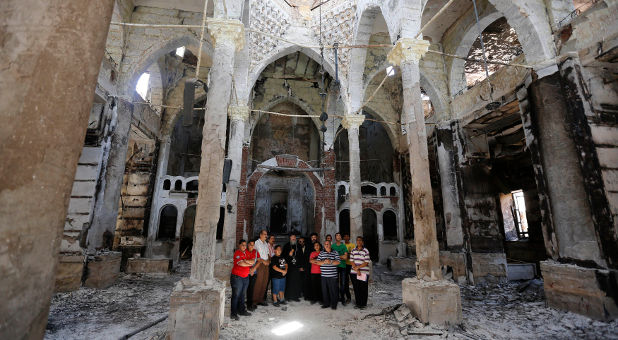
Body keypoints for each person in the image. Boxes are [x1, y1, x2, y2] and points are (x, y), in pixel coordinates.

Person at [230, 239, 255, 320]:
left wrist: (246, 261)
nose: (244, 246)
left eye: (245, 245)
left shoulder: (246, 253)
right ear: (239, 245)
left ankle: (242, 310)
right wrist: (247, 263)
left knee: (242, 295)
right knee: (236, 295)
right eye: (242, 245)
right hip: (237, 277)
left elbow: (253, 261)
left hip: (245, 277)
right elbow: (241, 263)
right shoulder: (237, 253)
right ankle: (233, 313)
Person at [312, 240, 340, 310]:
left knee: (333, 290)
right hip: (324, 275)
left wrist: (330, 261)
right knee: (325, 291)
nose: (326, 245)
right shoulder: (321, 253)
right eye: (325, 244)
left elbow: (338, 262)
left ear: (330, 244)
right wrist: (324, 262)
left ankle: (334, 305)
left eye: (328, 244)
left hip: (333, 276)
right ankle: (326, 303)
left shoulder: (335, 252)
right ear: (324, 245)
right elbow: (317, 262)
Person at [350, 236, 371, 309]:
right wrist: (357, 270)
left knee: (363, 288)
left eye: (360, 240)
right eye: (357, 240)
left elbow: (366, 262)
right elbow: (352, 261)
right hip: (354, 273)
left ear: (362, 242)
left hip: (363, 272)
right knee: (356, 288)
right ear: (356, 241)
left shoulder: (366, 251)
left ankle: (363, 304)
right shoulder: (353, 250)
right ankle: (358, 303)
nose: (359, 242)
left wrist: (358, 268)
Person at [251, 230, 270, 308]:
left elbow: (268, 254)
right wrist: (262, 261)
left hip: (266, 265)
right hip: (259, 264)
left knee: (264, 282)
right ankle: (254, 301)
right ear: (260, 235)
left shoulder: (266, 244)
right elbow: (255, 254)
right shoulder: (256, 243)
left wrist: (268, 261)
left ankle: (260, 299)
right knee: (258, 282)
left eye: (266, 234)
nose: (266, 236)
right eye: (264, 234)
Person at [332, 233, 349, 306]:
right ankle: (336, 298)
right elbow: (331, 257)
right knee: (335, 283)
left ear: (341, 238)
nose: (338, 237)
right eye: (337, 236)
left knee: (343, 284)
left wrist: (337, 256)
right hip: (334, 266)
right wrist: (341, 256)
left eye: (339, 236)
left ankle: (342, 298)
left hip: (342, 267)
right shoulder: (333, 246)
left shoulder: (343, 246)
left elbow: (345, 257)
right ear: (335, 238)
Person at [283, 234, 302, 301]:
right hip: (289, 266)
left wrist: (301, 266)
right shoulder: (286, 246)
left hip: (297, 266)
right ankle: (288, 296)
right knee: (289, 281)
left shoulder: (299, 246)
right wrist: (289, 255)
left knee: (297, 281)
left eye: (294, 238)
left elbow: (301, 256)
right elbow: (283, 257)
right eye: (292, 238)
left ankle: (296, 296)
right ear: (290, 239)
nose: (293, 239)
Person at [246, 239, 259, 311]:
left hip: (254, 273)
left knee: (251, 289)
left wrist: (253, 269)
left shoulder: (256, 252)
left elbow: (259, 261)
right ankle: (244, 305)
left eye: (253, 245)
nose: (252, 246)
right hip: (246, 273)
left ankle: (249, 305)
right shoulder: (245, 251)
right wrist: (249, 270)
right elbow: (243, 262)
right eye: (251, 245)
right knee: (245, 289)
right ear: (248, 245)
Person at [296, 236, 311, 300]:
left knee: (306, 281)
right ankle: (298, 294)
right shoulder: (296, 249)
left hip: (306, 268)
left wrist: (304, 268)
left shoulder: (308, 249)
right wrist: (299, 267)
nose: (301, 243)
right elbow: (296, 259)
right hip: (298, 268)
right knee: (298, 282)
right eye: (300, 241)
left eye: (303, 241)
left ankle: (306, 295)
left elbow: (309, 259)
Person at [343, 233, 355, 304]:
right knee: (346, 282)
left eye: (347, 236)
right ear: (343, 238)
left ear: (349, 237)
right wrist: (347, 255)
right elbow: (342, 255)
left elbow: (353, 255)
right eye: (345, 236)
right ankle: (348, 297)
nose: (346, 237)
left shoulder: (353, 245)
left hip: (351, 265)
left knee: (354, 281)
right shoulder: (342, 245)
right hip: (344, 266)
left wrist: (347, 255)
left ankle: (357, 297)